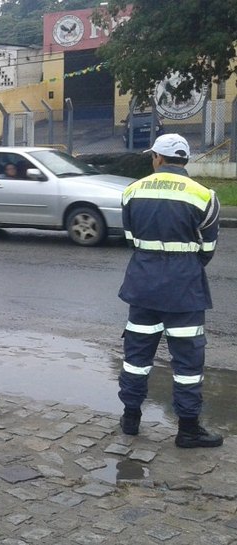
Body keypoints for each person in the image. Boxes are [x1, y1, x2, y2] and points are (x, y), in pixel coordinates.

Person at [117, 133, 222, 448]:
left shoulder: (131, 191)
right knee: (188, 364)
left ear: (158, 159)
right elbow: (208, 249)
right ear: (184, 160)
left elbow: (132, 239)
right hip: (185, 291)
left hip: (143, 287)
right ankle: (188, 429)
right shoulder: (204, 196)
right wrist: (184, 264)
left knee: (136, 356)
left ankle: (131, 419)